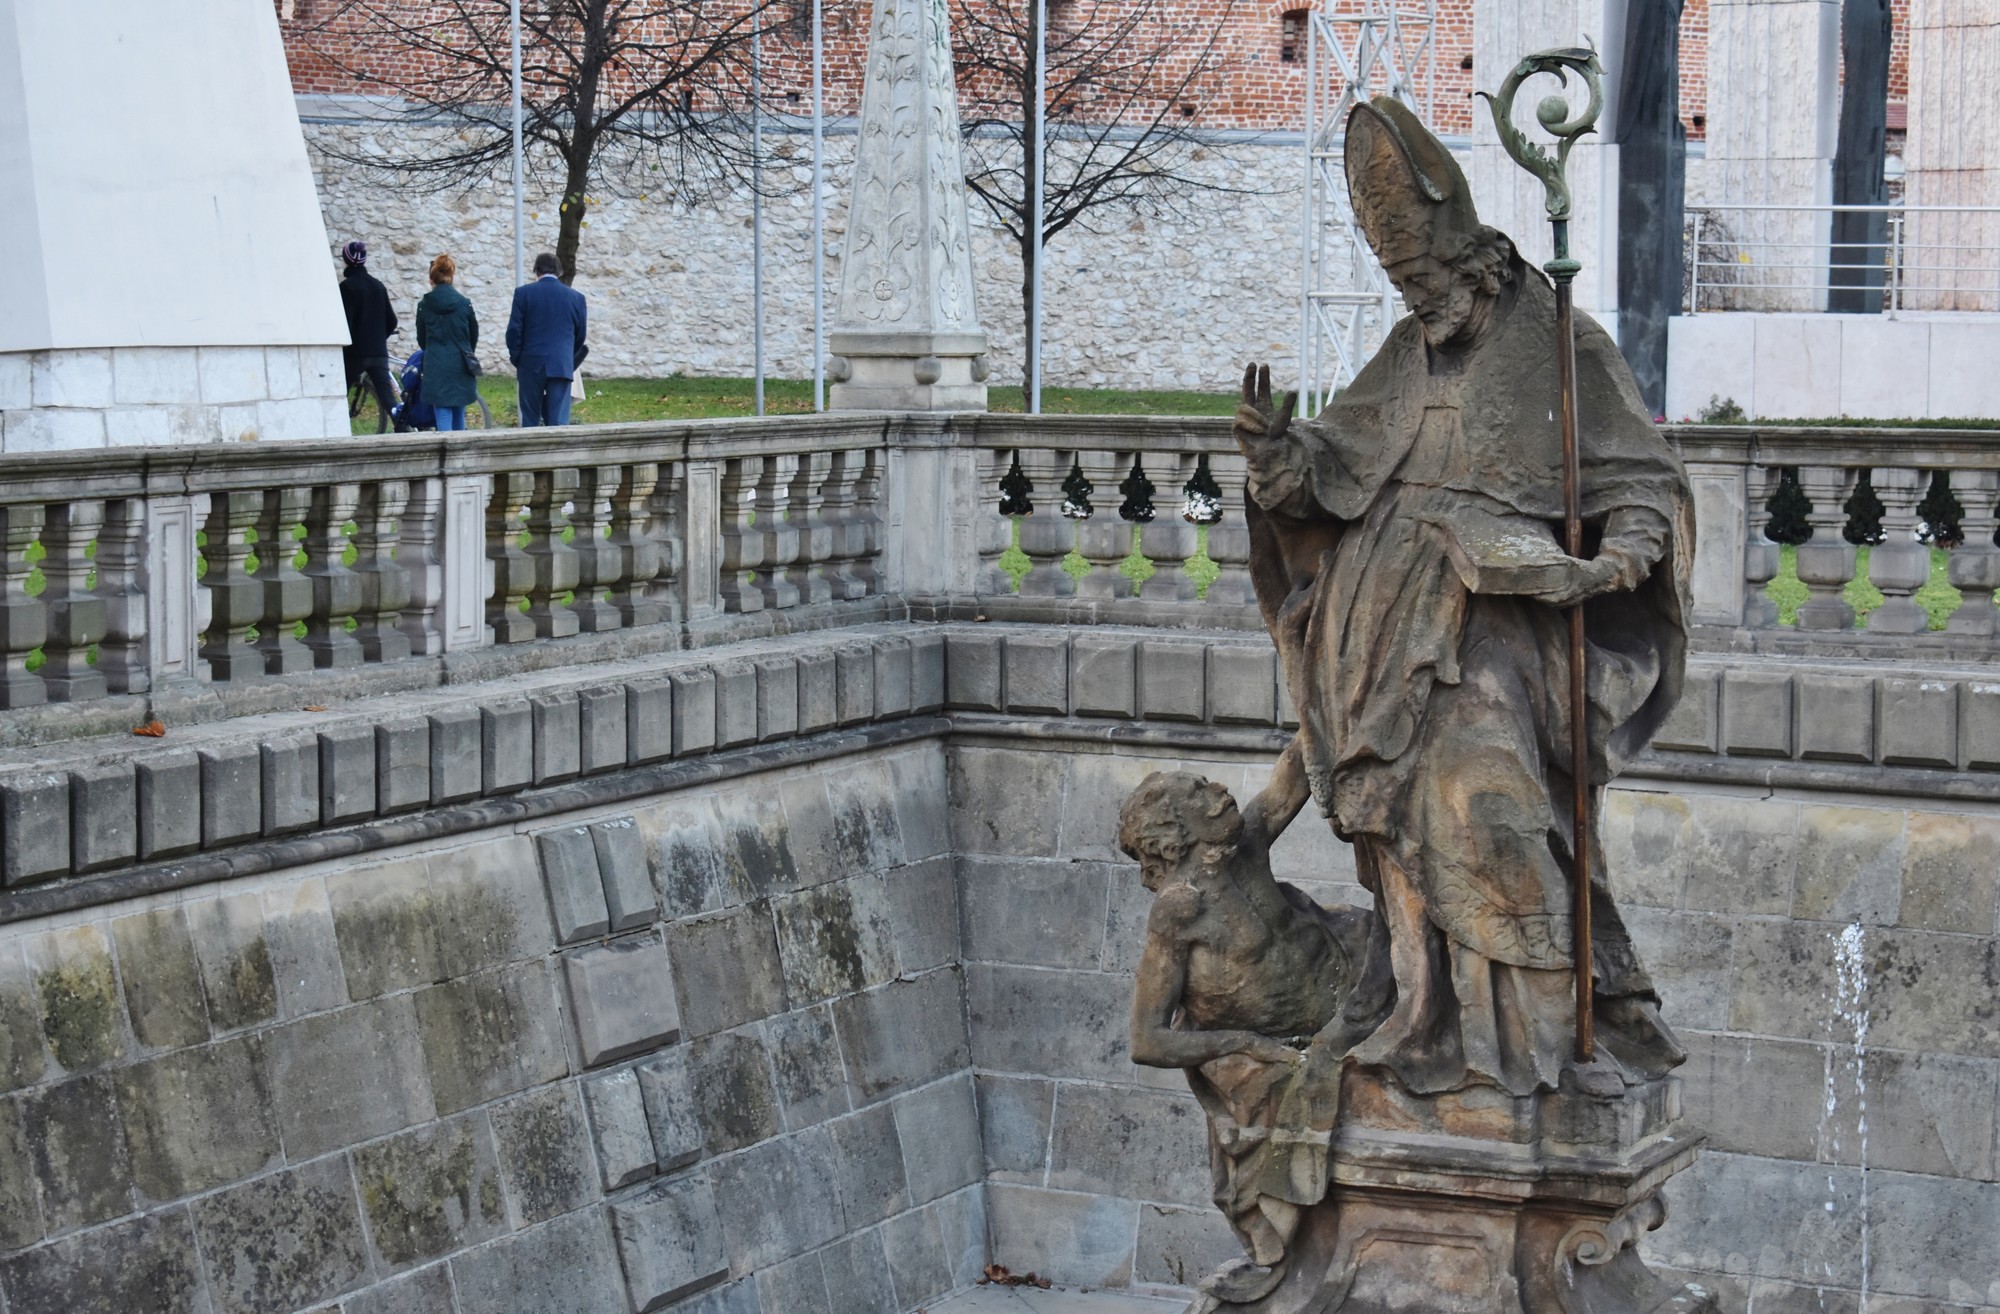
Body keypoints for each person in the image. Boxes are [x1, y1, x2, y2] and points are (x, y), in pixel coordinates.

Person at [1230, 97, 1693, 1101]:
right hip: (1375, 625)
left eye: (1427, 281)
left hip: (1499, 627)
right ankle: (1414, 1013)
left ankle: (1534, 1049)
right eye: (1403, 285)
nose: (1417, 303)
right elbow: (1333, 467)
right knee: (1391, 822)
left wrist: (1607, 565)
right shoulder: (1408, 350)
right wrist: (1274, 457)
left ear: (1473, 260)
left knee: (1491, 807)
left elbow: (1644, 484)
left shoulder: (1561, 348)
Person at [1122, 746, 1391, 1310]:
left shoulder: (1245, 843)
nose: (1217, 791)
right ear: (1176, 834)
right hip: (1287, 1042)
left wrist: (1327, 687)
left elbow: (1292, 772)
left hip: (1356, 967)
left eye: (1208, 783)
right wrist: (1242, 1043)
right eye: (1199, 793)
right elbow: (1146, 1039)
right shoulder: (1178, 910)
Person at [506, 252, 587, 426]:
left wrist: (518, 358)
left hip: (530, 363)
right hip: (561, 364)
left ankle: (531, 452)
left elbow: (514, 332)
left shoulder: (523, 294)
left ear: (536, 271)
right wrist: (567, 356)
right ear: (558, 271)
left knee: (530, 421)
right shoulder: (576, 298)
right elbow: (580, 335)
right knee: (558, 422)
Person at [337, 241, 398, 433]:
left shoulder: (347, 288)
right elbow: (392, 320)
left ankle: (335, 429)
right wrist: (379, 338)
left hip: (355, 354)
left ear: (346, 260)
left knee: (340, 392)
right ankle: (403, 428)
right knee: (388, 398)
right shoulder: (378, 286)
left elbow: (346, 322)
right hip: (378, 352)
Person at [414, 254, 480, 432]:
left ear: (431, 279)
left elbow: (422, 339)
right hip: (461, 362)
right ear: (452, 276)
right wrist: (466, 350)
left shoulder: (424, 305)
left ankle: (446, 457)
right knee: (459, 411)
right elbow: (473, 334)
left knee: (442, 412)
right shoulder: (464, 304)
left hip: (436, 363)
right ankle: (461, 456)